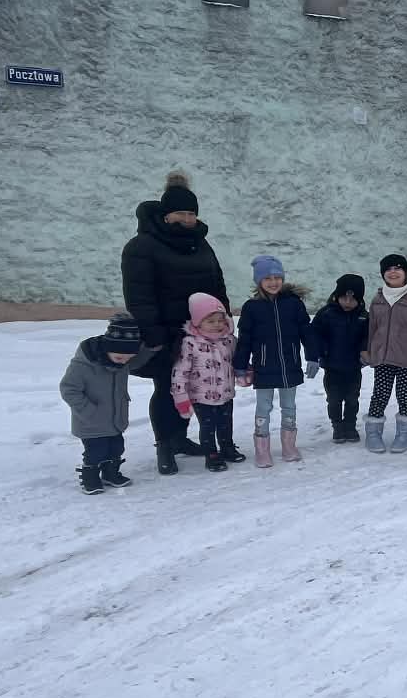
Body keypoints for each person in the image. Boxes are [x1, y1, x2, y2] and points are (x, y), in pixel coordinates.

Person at [120, 170, 229, 475]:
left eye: (192, 213)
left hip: (201, 333)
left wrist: (223, 318)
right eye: (181, 213)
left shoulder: (201, 244)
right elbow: (139, 296)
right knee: (168, 388)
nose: (187, 219)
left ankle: (180, 439)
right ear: (166, 215)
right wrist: (153, 334)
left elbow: (217, 283)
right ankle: (164, 445)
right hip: (165, 333)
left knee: (191, 387)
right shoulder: (141, 247)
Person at [58, 311, 157, 493]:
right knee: (96, 452)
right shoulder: (84, 365)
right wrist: (89, 411)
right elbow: (68, 389)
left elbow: (134, 362)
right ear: (107, 348)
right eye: (120, 358)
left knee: (116, 449)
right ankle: (90, 477)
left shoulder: (120, 360)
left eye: (128, 358)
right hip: (90, 422)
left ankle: (111, 473)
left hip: (115, 419)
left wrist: (150, 350)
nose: (124, 362)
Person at [234, 255, 313, 466]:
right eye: (267, 278)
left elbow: (306, 331)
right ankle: (262, 450)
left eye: (277, 277)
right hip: (264, 366)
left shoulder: (293, 304)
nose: (273, 282)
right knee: (263, 407)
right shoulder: (251, 307)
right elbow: (245, 340)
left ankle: (289, 446)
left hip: (289, 365)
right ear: (259, 281)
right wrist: (240, 366)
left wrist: (313, 356)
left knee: (289, 406)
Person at [366, 253, 407, 454]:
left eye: (397, 268)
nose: (393, 272)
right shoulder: (378, 300)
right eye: (388, 269)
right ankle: (373, 433)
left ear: (406, 273)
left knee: (404, 395)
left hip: (406, 358)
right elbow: (372, 329)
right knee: (379, 395)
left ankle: (403, 434)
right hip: (382, 357)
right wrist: (369, 352)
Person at [172, 292, 242, 471]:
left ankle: (227, 448)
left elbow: (237, 361)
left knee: (226, 424)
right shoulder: (190, 343)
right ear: (197, 321)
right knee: (208, 426)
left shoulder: (229, 340)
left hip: (226, 393)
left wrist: (244, 373)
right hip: (201, 397)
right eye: (211, 321)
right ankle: (211, 454)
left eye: (220, 320)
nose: (217, 324)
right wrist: (181, 398)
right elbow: (180, 371)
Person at [309, 273, 369, 443]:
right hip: (332, 367)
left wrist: (365, 350)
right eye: (344, 298)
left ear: (360, 299)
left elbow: (368, 336)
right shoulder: (326, 313)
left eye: (353, 299)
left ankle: (350, 426)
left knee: (352, 399)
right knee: (334, 399)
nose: (348, 302)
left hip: (354, 367)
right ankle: (337, 425)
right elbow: (314, 334)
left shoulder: (364, 316)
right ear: (336, 296)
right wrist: (319, 352)